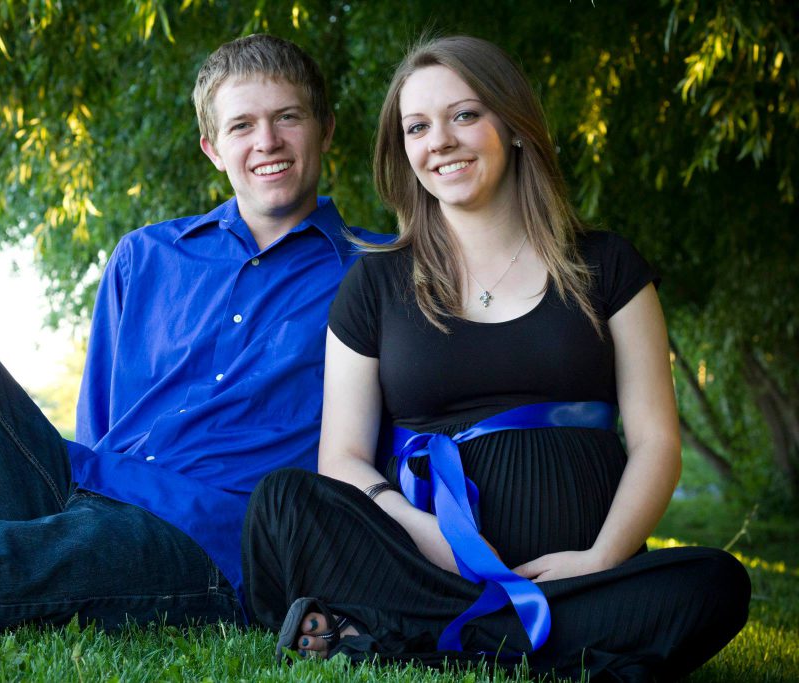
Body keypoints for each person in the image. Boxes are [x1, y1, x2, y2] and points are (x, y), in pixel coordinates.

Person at [0, 34, 386, 633]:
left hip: (204, 542)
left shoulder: (381, 273)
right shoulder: (145, 256)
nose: (267, 141)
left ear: (326, 129)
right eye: (242, 126)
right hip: (84, 484)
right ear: (213, 149)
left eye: (288, 117)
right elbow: (101, 421)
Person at [242, 35, 750, 681]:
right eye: (417, 127)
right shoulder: (374, 282)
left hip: (575, 576)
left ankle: (411, 639)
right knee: (282, 501)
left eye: (464, 114)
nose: (440, 141)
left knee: (714, 581)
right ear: (404, 149)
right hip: (425, 566)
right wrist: (420, 527)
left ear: (512, 124)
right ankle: (529, 643)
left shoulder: (606, 264)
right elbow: (341, 457)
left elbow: (656, 441)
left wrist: (601, 557)